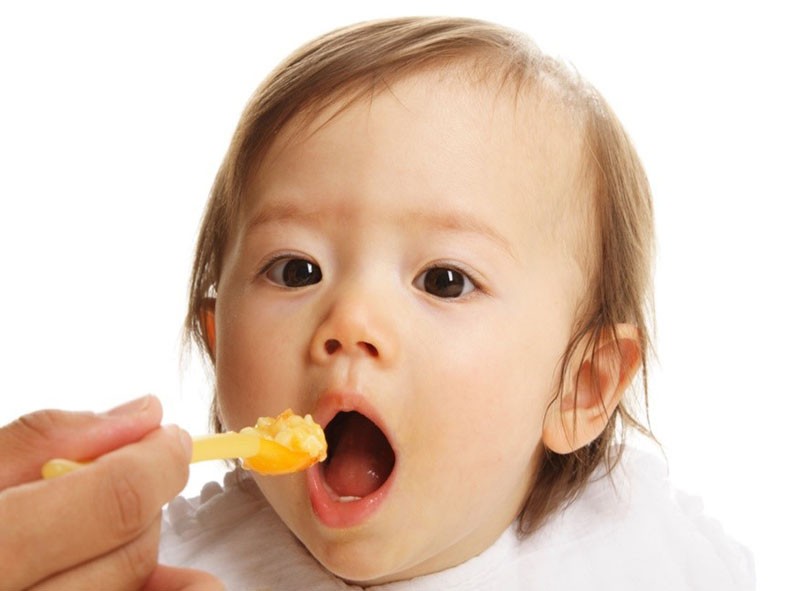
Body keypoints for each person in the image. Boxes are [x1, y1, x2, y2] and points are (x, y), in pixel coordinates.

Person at [0, 16, 754, 590]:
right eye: (296, 269)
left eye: (444, 280)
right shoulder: (169, 566)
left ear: (581, 386)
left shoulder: (654, 558)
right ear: (218, 341)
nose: (349, 322)